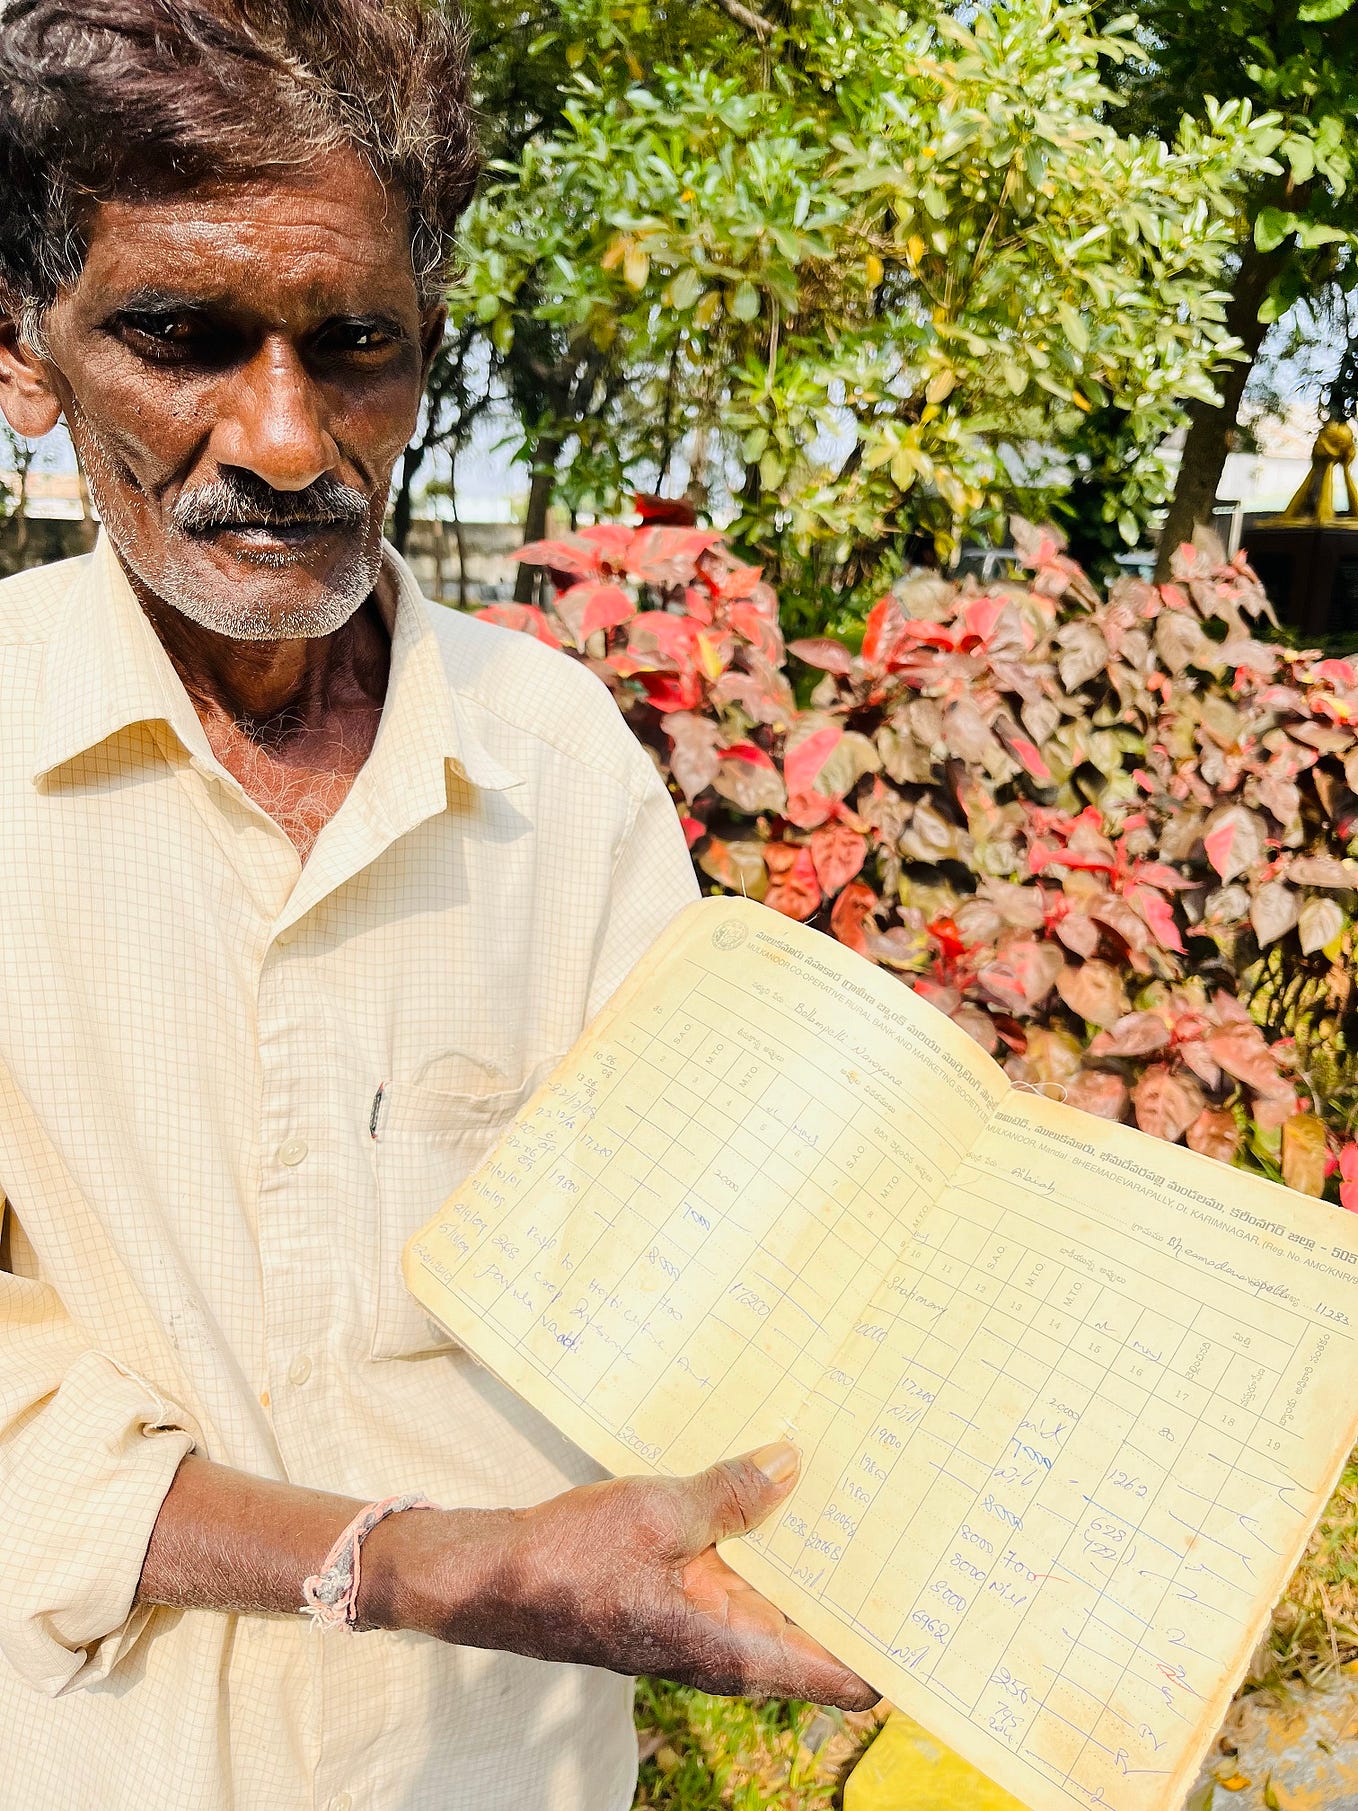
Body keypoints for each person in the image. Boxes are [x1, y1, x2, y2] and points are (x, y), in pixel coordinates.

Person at [0, 2, 873, 1806]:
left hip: (502, 1765)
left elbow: (690, 1249)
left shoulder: (547, 749)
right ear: (28, 357)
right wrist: (411, 1563)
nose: (292, 441)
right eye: (180, 338)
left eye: (357, 347)